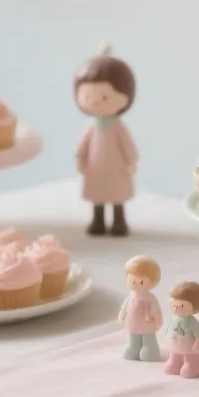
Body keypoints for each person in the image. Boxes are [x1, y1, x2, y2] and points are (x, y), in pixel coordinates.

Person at [74, 45, 140, 236]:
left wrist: (131, 162)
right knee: (98, 196)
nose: (95, 101)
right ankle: (98, 221)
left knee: (117, 195)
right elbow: (82, 146)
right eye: (88, 96)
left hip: (116, 168)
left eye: (104, 96)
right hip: (95, 168)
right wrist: (80, 159)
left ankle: (119, 221)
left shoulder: (119, 128)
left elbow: (128, 146)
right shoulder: (92, 127)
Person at [118, 255, 163, 361]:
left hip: (147, 323)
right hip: (132, 322)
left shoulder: (150, 298)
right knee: (133, 337)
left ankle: (150, 348)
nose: (135, 283)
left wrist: (158, 320)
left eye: (141, 282)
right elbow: (125, 307)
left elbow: (156, 310)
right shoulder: (131, 296)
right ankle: (133, 347)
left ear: (153, 282)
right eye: (132, 280)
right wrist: (122, 314)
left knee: (148, 337)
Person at [163, 281, 199, 378]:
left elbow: (198, 335)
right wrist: (167, 338)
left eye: (181, 305)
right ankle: (175, 362)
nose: (176, 308)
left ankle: (193, 366)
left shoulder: (193, 322)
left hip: (189, 345)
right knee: (175, 354)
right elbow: (170, 328)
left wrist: (198, 343)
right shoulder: (174, 318)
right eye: (173, 304)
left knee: (190, 356)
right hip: (175, 343)